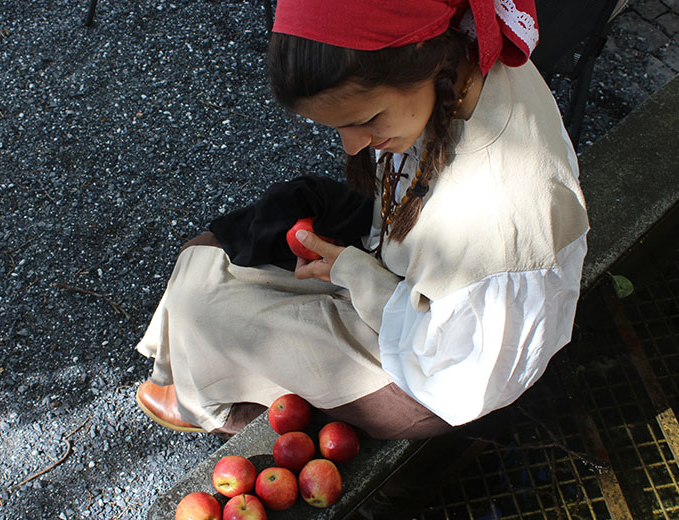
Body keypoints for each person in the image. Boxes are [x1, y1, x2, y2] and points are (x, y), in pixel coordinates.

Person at [134, 0, 589, 440]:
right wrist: (356, 263)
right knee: (214, 250)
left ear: (418, 57)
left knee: (207, 308)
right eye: (338, 127)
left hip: (433, 372)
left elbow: (461, 376)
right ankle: (206, 369)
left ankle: (216, 395)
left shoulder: (497, 206)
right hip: (400, 269)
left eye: (367, 119)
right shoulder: (457, 54)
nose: (353, 147)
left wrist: (354, 272)